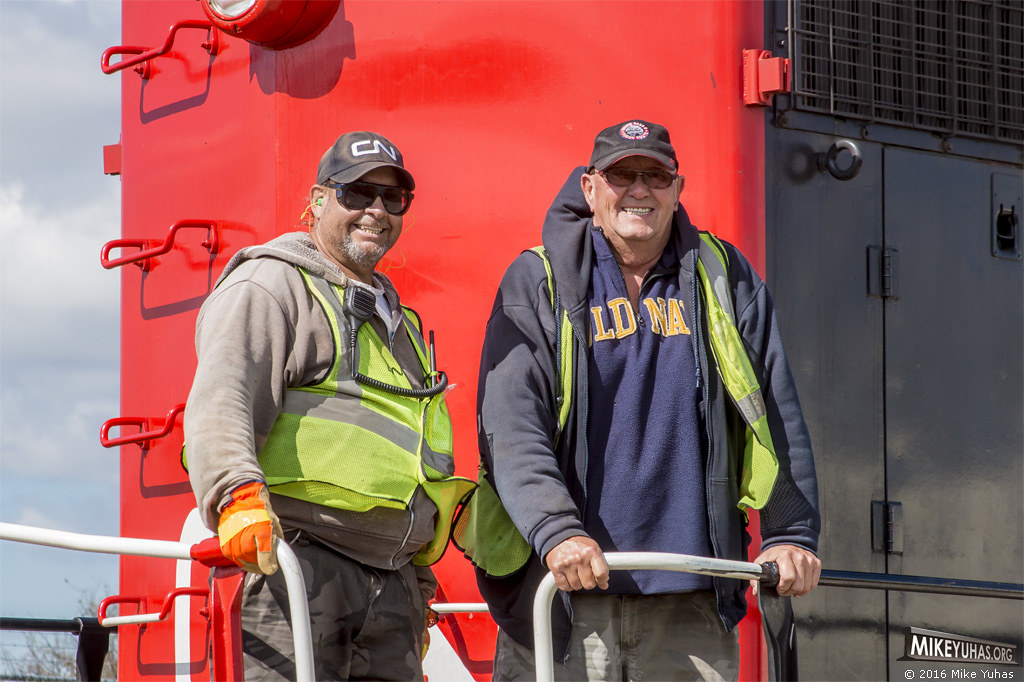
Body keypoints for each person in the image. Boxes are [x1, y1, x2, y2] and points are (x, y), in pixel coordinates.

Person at [471, 120, 821, 681]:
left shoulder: (725, 277)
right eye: (621, 174)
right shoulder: (536, 279)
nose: (639, 189)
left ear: (677, 189)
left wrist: (789, 534)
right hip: (566, 594)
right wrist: (557, 530)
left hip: (692, 602)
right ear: (590, 189)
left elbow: (772, 415)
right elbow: (510, 427)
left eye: (655, 175)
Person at [184, 131, 474, 681]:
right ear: (319, 201)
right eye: (358, 193)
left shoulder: (401, 325)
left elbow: (416, 455)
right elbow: (223, 399)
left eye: (393, 199)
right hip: (297, 563)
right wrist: (236, 498)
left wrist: (418, 577)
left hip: (392, 588)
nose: (376, 210)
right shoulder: (270, 286)